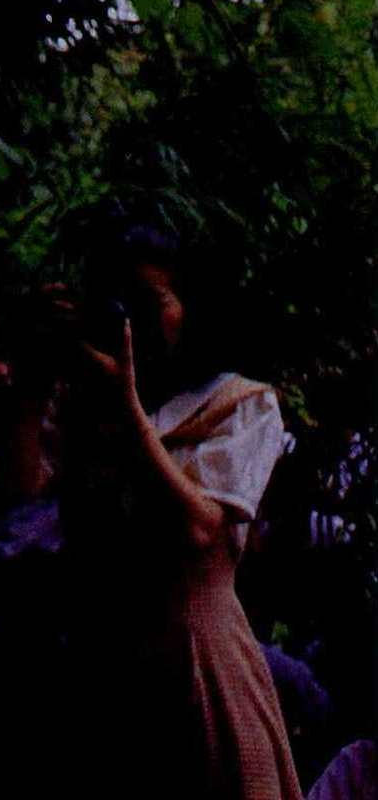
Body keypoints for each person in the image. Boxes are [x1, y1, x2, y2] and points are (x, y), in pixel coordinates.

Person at [51, 223, 302, 800]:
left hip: (197, 660)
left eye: (151, 302)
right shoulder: (89, 408)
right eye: (121, 304)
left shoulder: (239, 404)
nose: (134, 324)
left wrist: (128, 412)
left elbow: (199, 526)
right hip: (108, 661)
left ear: (191, 306)